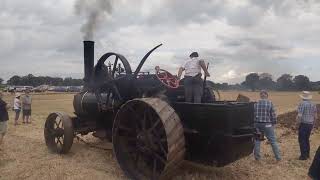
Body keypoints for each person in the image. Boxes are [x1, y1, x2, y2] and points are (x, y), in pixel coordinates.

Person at [254, 90, 281, 161]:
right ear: (266, 95)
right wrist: (274, 123)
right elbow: (273, 115)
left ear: (260, 95)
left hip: (257, 124)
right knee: (272, 141)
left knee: (257, 141)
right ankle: (278, 158)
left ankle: (257, 158)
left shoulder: (255, 103)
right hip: (267, 125)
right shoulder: (270, 103)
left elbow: (253, 114)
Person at [296, 91, 318, 160]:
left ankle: (303, 156)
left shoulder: (302, 103)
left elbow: (299, 116)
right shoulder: (313, 104)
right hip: (310, 124)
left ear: (302, 97)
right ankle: (307, 154)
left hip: (304, 124)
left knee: (301, 140)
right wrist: (313, 125)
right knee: (306, 139)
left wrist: (297, 124)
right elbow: (315, 116)